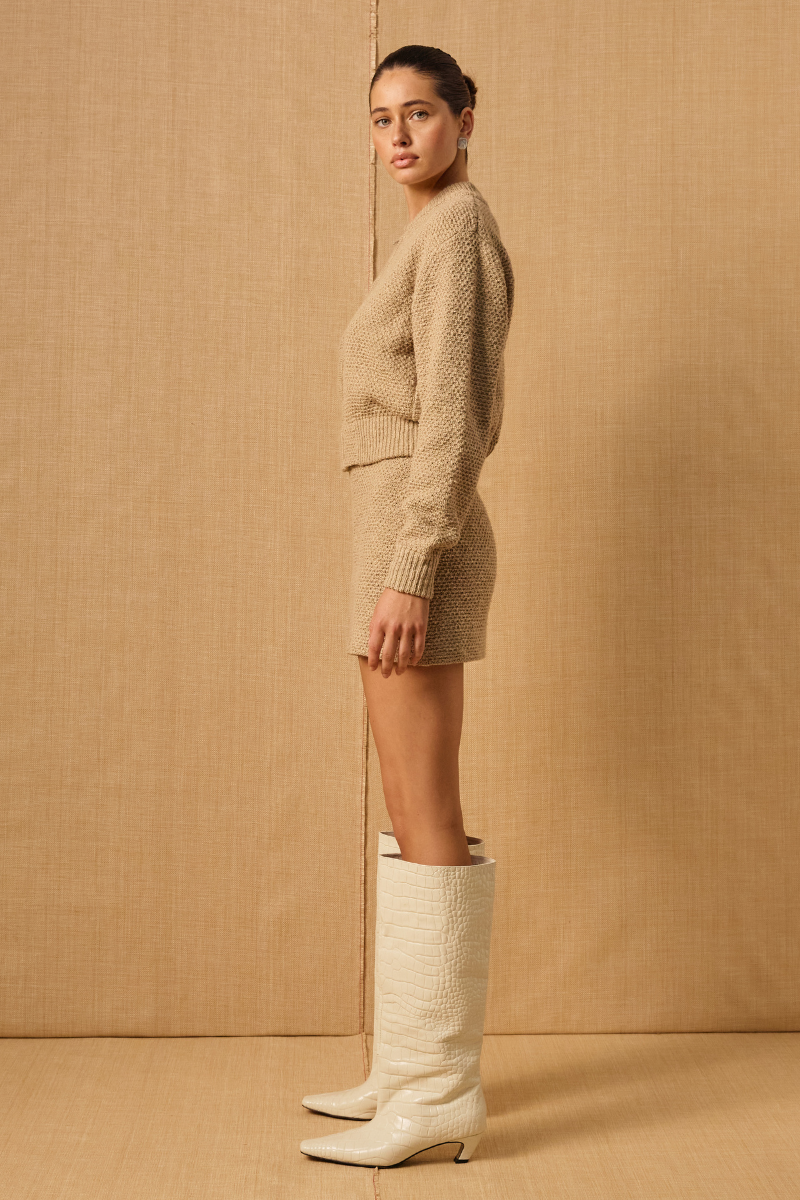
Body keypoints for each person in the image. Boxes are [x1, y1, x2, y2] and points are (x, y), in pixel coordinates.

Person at [300, 44, 515, 1169]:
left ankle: (438, 1092)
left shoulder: (459, 228)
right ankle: (406, 1065)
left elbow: (455, 415)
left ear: (464, 119)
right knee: (402, 798)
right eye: (382, 117)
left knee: (427, 805)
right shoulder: (426, 233)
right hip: (384, 534)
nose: (398, 136)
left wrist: (413, 564)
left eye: (420, 113)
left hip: (411, 542)